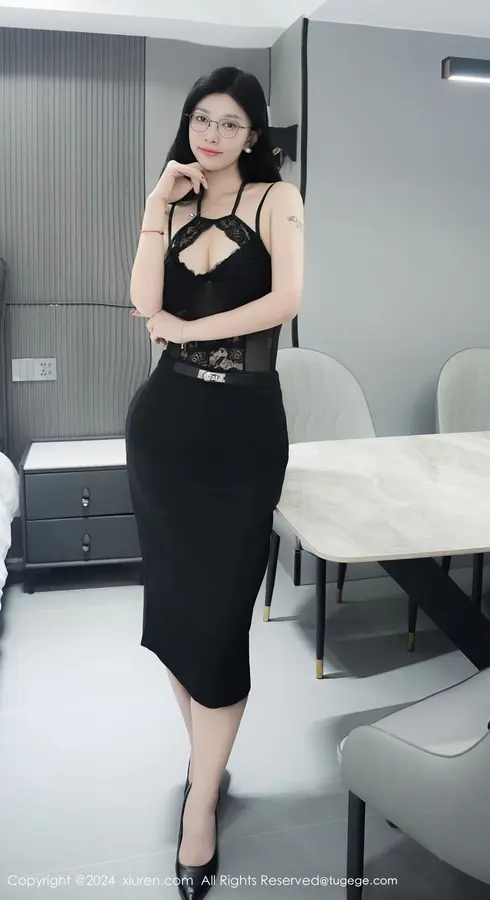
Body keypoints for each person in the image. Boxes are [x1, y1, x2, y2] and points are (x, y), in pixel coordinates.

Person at [125, 66, 303, 899]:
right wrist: (155, 204)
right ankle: (207, 768)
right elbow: (143, 301)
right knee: (177, 612)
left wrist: (186, 329)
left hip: (242, 432)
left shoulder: (277, 200)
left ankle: (201, 804)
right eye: (202, 119)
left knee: (221, 618)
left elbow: (285, 301)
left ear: (254, 133)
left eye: (231, 123)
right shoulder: (174, 202)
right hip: (165, 426)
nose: (213, 135)